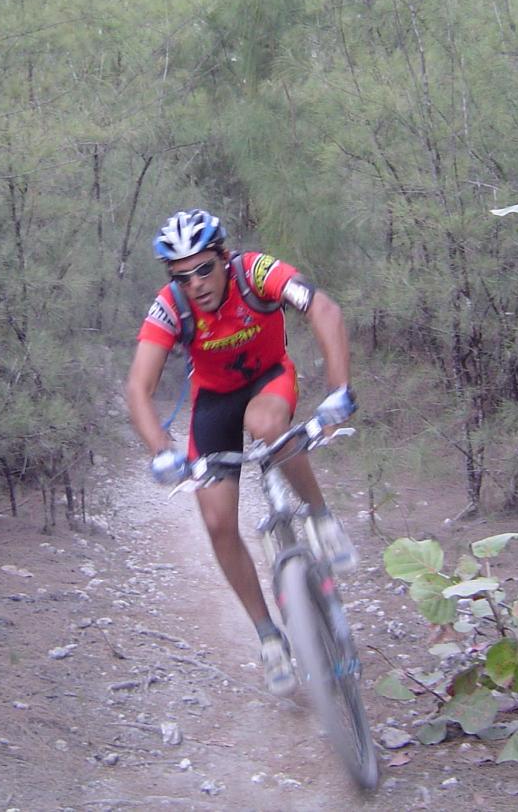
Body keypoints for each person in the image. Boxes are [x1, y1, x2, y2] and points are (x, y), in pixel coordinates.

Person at [124, 208, 357, 696]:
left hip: (269, 377)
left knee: (267, 424)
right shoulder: (170, 307)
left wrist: (338, 390)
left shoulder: (255, 272)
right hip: (214, 404)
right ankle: (268, 635)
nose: (196, 284)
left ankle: (318, 514)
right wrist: (161, 450)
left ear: (223, 258)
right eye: (182, 276)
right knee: (216, 520)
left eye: (204, 268)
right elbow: (139, 389)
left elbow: (323, 309)